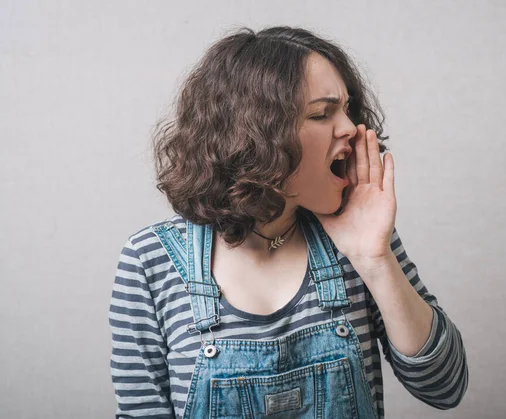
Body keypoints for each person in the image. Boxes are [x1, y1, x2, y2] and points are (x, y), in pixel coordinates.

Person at [109, 25, 468, 419]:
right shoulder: (150, 260)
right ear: (255, 135)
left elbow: (445, 387)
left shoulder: (362, 239)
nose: (349, 127)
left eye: (347, 109)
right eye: (321, 113)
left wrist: (375, 259)